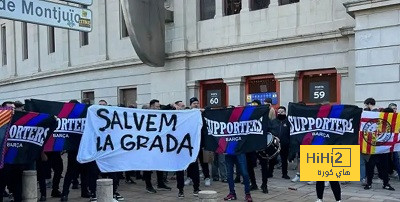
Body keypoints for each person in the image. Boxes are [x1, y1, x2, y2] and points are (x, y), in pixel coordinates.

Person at [143, 99, 172, 194]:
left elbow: (165, 110)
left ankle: (160, 183)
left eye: (159, 106)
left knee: (160, 164)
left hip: (158, 144)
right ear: (151, 107)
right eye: (156, 106)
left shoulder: (160, 115)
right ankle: (148, 185)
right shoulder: (144, 115)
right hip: (148, 145)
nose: (158, 108)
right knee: (148, 166)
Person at [364, 107, 396, 191]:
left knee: (383, 167)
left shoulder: (391, 122)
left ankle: (383, 183)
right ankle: (371, 183)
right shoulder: (377, 120)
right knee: (371, 167)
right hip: (375, 149)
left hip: (382, 149)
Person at [185, 97, 212, 187]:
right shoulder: (187, 114)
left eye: (197, 103)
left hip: (202, 142)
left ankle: (207, 177)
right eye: (194, 103)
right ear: (191, 105)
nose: (196, 105)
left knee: (204, 161)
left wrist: (203, 111)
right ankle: (190, 177)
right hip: (191, 143)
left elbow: (209, 110)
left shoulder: (202, 113)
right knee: (191, 161)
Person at [269, 106, 291, 180]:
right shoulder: (273, 121)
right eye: (279, 112)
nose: (280, 113)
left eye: (282, 112)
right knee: (272, 159)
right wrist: (274, 137)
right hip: (275, 143)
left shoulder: (288, 122)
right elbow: (270, 131)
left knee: (284, 159)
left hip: (285, 143)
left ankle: (284, 174)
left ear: (285, 112)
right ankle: (270, 173)